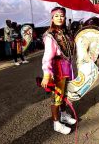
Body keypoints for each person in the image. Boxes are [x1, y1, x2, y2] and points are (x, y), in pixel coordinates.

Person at [41, 7, 76, 135]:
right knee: (57, 96)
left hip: (67, 67)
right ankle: (56, 123)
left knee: (64, 94)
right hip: (58, 69)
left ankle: (63, 115)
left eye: (61, 15)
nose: (59, 18)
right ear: (52, 18)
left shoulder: (65, 32)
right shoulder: (50, 35)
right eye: (56, 16)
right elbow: (47, 56)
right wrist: (46, 74)